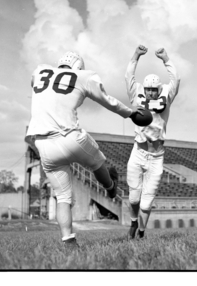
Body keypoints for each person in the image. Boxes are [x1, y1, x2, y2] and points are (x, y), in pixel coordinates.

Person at [25, 51, 142, 251]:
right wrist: (131, 114)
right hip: (70, 137)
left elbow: (36, 82)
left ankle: (68, 241)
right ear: (78, 67)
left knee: (62, 196)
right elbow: (108, 101)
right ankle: (110, 185)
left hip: (42, 143)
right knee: (97, 162)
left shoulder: (40, 71)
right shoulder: (84, 76)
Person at [125, 45, 180, 240]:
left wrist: (166, 59)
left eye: (152, 90)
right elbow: (129, 77)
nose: (149, 93)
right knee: (133, 198)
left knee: (146, 204)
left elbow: (175, 80)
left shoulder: (166, 95)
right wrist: (136, 55)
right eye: (147, 90)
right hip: (138, 152)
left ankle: (141, 232)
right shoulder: (137, 94)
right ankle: (133, 221)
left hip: (156, 155)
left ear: (158, 90)